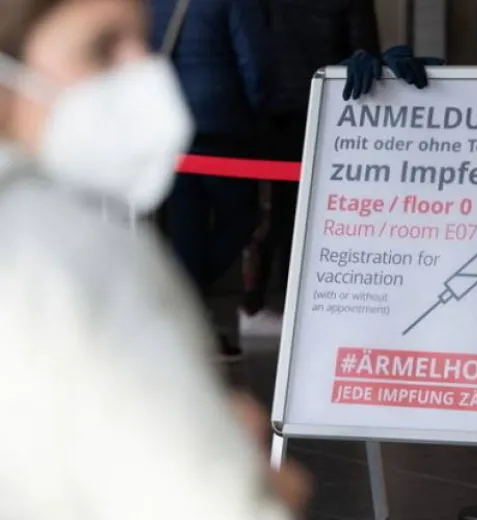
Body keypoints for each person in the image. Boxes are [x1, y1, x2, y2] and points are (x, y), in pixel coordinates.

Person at [0, 0, 308, 517]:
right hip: (227, 128)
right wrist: (264, 484)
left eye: (141, 42)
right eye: (101, 49)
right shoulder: (81, 251)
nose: (143, 73)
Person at [240, 0, 381, 336]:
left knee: (281, 212)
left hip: (279, 113)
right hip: (334, 111)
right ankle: (322, 301)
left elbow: (255, 49)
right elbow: (367, 53)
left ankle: (272, 301)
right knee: (335, 212)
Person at [151, 0, 271, 359]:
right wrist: (260, 115)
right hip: (222, 124)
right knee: (242, 217)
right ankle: (181, 297)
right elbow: (256, 64)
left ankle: (184, 313)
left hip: (171, 123)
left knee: (186, 232)